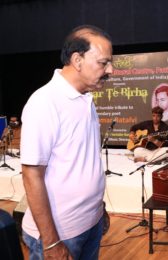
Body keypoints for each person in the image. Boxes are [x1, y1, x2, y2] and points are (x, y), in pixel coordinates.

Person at [20, 25, 113, 260]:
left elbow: (84, 162)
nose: (110, 70)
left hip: (91, 223)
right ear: (77, 60)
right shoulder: (44, 102)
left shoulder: (86, 99)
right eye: (103, 63)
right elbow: (32, 175)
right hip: (60, 235)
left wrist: (98, 210)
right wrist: (51, 243)